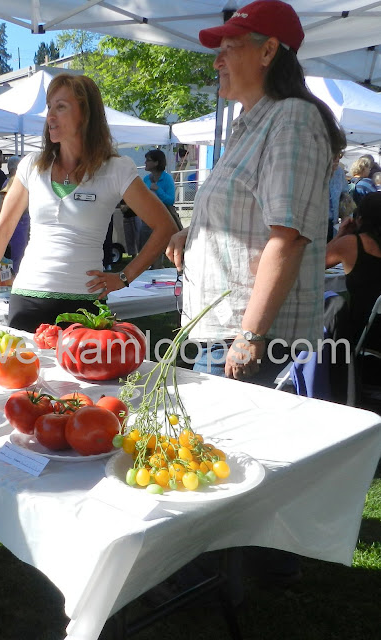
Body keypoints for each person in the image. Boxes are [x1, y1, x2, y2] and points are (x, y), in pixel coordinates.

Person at [166, 0, 346, 384]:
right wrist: (193, 234)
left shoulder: (292, 118)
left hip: (250, 341)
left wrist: (250, 335)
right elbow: (252, 217)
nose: (217, 62)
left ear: (268, 51)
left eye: (229, 49)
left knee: (221, 444)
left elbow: (290, 236)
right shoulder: (252, 123)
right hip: (225, 334)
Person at [0, 73, 177, 332]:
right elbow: (3, 228)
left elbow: (166, 228)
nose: (50, 116)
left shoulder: (116, 169)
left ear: (85, 115)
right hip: (28, 298)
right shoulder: (32, 165)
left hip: (85, 306)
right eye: (49, 107)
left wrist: (123, 277)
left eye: (61, 107)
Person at [326, 191, 381, 351]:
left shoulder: (351, 244)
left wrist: (341, 234)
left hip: (363, 332)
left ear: (360, 218)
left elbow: (318, 264)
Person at [140, 149, 176, 267]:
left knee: (158, 249)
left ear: (156, 163)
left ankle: (157, 271)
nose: (145, 162)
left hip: (162, 219)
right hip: (147, 219)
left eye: (148, 160)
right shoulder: (146, 179)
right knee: (145, 249)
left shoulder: (167, 179)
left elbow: (170, 200)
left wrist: (158, 190)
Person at [0, 156, 30, 274]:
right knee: (18, 254)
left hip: (14, 221)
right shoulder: (15, 182)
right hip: (19, 221)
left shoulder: (6, 183)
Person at [328, 153, 348, 241]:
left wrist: (346, 218)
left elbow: (344, 195)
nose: (337, 159)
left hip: (331, 223)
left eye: (339, 156)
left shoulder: (339, 172)